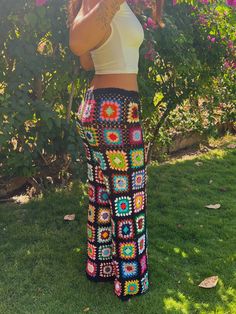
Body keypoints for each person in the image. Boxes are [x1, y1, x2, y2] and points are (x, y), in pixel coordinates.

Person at [67, 0, 163, 302]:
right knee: (129, 197)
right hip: (116, 110)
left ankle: (101, 266)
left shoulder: (90, 5)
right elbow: (77, 44)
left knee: (104, 194)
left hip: (101, 105)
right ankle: (131, 280)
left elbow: (87, 61)